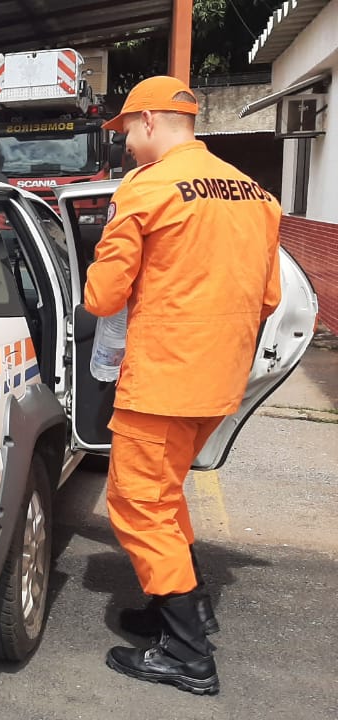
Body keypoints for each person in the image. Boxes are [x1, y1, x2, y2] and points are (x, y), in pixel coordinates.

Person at [87, 76, 281, 695]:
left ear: (148, 122)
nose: (127, 148)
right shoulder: (255, 194)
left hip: (163, 377)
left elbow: (102, 297)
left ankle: (189, 658)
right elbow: (272, 298)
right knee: (164, 496)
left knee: (137, 503)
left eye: (127, 133)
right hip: (219, 379)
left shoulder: (145, 190)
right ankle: (181, 613)